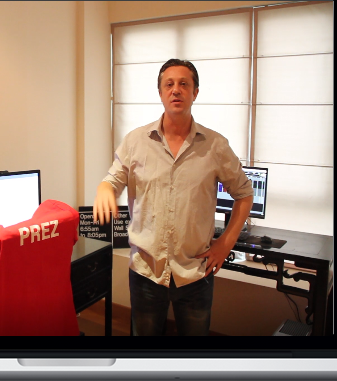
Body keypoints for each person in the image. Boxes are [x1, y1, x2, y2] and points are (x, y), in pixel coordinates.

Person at [93, 58, 253, 336]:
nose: (176, 90)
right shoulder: (136, 141)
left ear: (195, 92)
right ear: (160, 92)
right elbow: (113, 179)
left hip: (196, 272)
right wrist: (103, 189)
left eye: (183, 84)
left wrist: (226, 243)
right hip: (146, 271)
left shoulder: (215, 145)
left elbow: (244, 194)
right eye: (169, 84)